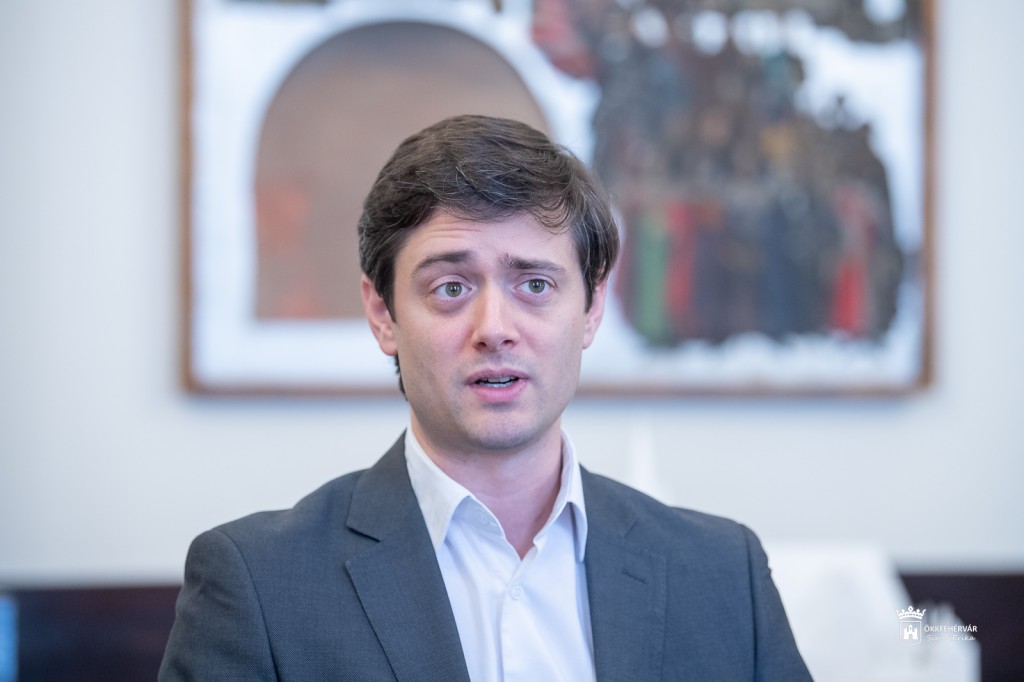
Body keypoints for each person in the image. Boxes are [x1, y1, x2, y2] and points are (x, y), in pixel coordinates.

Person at [159, 115, 811, 681]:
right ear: (383, 314)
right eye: (451, 288)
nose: (495, 328)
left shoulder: (723, 574)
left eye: (534, 285)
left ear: (591, 309)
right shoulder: (257, 584)